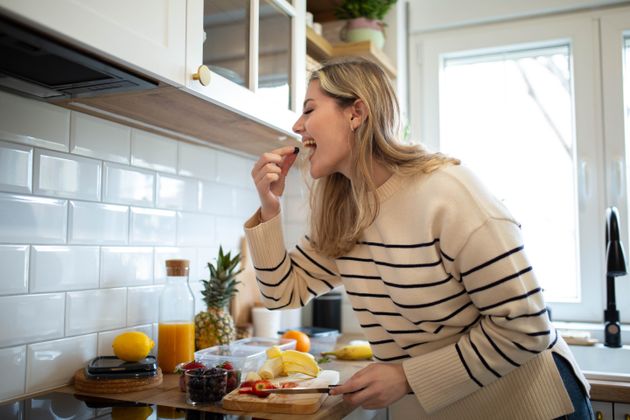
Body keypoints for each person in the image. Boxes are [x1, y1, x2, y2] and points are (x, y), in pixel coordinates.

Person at [244, 56, 593, 419]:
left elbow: (526, 327)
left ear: (356, 113)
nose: (297, 125)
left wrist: (407, 377)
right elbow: (282, 293)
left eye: (309, 109)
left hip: (531, 408)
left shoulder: (447, 192)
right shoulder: (346, 210)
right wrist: (270, 208)